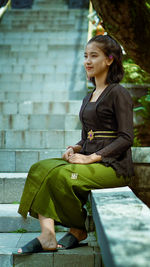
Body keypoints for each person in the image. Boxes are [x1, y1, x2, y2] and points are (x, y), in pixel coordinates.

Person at [15, 34, 134, 254]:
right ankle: (48, 235)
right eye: (85, 56)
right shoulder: (88, 97)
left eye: (94, 56)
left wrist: (90, 157)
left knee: (62, 176)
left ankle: (77, 228)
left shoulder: (119, 93)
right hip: (91, 160)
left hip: (114, 167)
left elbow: (126, 137)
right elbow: (87, 135)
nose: (87, 61)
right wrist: (76, 148)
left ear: (109, 59)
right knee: (39, 168)